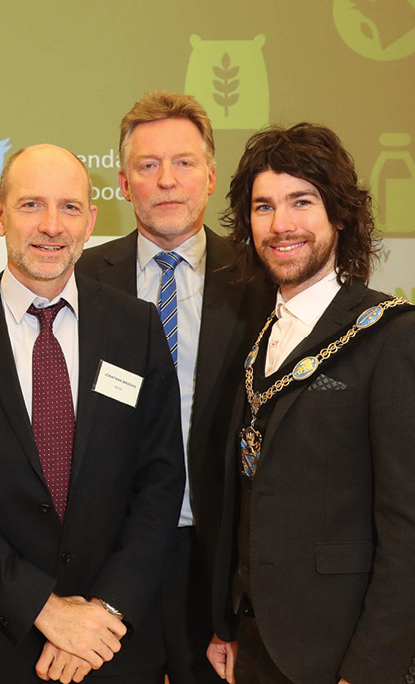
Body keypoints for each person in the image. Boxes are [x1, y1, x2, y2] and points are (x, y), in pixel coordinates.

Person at [0, 144, 185, 683]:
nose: (52, 226)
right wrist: (46, 610)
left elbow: (160, 480)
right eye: (31, 205)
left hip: (111, 647)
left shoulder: (137, 329)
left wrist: (102, 613)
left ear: (91, 221)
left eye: (70, 208)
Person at [204, 123, 415, 684]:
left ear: (338, 215)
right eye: (263, 207)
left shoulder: (395, 335)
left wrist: (368, 672)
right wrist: (231, 622)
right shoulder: (263, 336)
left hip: (347, 657)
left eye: (301, 202)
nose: (281, 224)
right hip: (262, 647)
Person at [75, 91, 273, 684]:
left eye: (184, 163)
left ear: (211, 176)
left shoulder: (262, 279)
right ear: (122, 182)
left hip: (218, 556)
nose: (166, 180)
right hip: (110, 552)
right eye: (147, 165)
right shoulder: (80, 278)